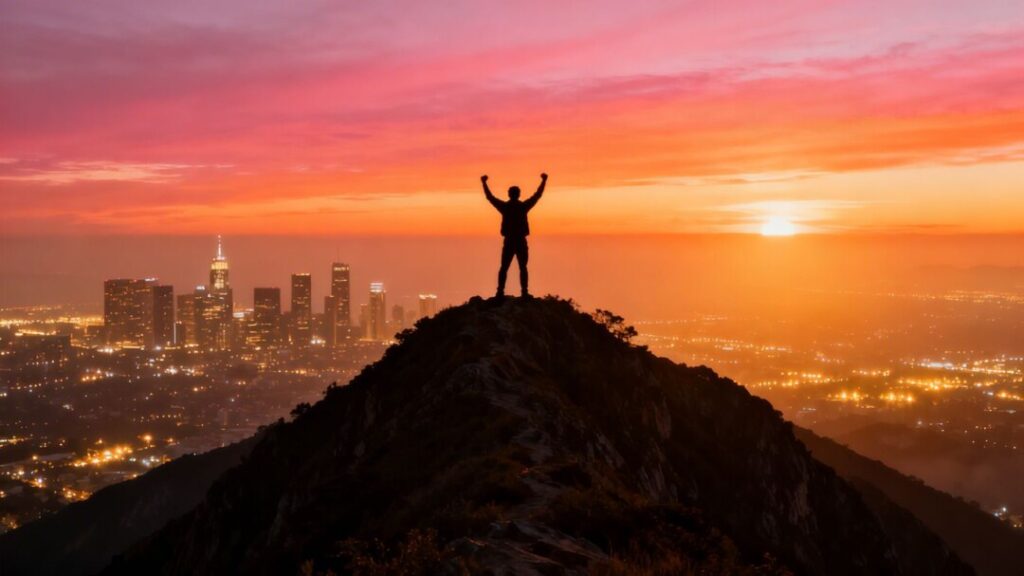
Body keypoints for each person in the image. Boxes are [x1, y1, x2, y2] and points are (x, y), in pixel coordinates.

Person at [481, 173, 547, 298]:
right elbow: (537, 195)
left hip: (510, 241)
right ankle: (524, 292)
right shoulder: (522, 207)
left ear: (509, 194)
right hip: (519, 241)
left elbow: (490, 197)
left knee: (505, 267)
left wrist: (484, 183)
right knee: (522, 267)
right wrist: (544, 181)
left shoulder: (506, 207)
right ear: (518, 194)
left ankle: (501, 292)